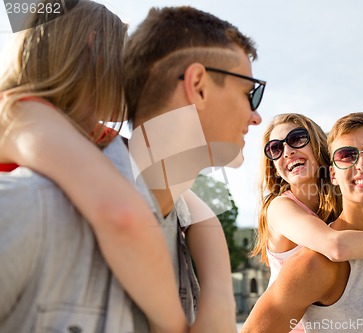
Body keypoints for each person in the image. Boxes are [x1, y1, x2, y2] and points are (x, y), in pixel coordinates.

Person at [0, 2, 261, 333]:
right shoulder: (22, 120)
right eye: (123, 56)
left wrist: (218, 283)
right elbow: (122, 214)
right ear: (94, 49)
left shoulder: (91, 141)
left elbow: (186, 208)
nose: (131, 76)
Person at [242, 112, 363, 333]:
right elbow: (335, 246)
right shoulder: (280, 206)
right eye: (275, 149)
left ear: (318, 146)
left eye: (296, 139)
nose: (287, 151)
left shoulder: (347, 192)